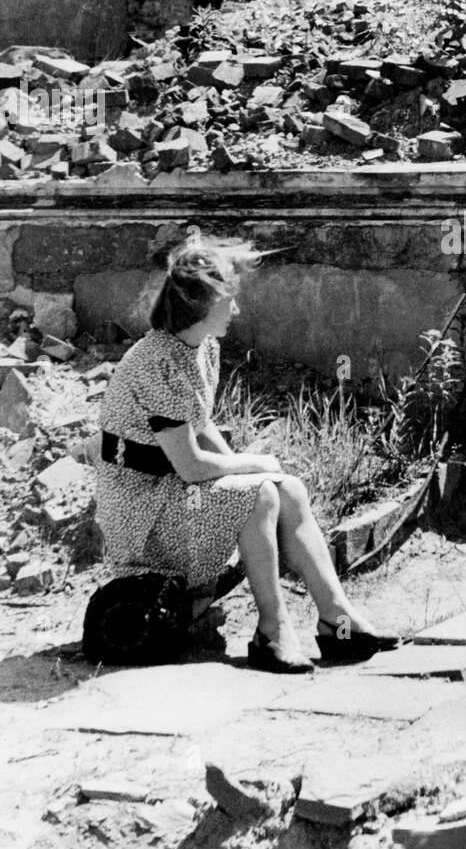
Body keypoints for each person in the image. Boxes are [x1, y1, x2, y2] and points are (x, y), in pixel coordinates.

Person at [94, 233, 396, 673]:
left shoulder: (202, 349)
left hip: (172, 493)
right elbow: (191, 465)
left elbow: (201, 427)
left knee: (286, 489)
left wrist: (256, 472)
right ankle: (272, 632)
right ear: (201, 304)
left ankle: (338, 622)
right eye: (228, 301)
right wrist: (254, 467)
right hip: (141, 514)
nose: (236, 310)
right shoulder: (156, 361)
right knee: (260, 492)